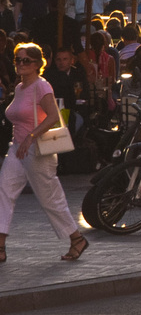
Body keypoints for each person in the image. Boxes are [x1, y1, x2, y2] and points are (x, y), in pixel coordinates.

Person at [0, 44, 90, 262]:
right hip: (17, 148)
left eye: (26, 61)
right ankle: (0, 245)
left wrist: (31, 136)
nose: (21, 64)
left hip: (37, 150)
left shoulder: (42, 87)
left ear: (38, 64)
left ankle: (76, 238)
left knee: (50, 198)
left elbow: (52, 117)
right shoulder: (20, 87)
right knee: (4, 191)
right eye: (18, 60)